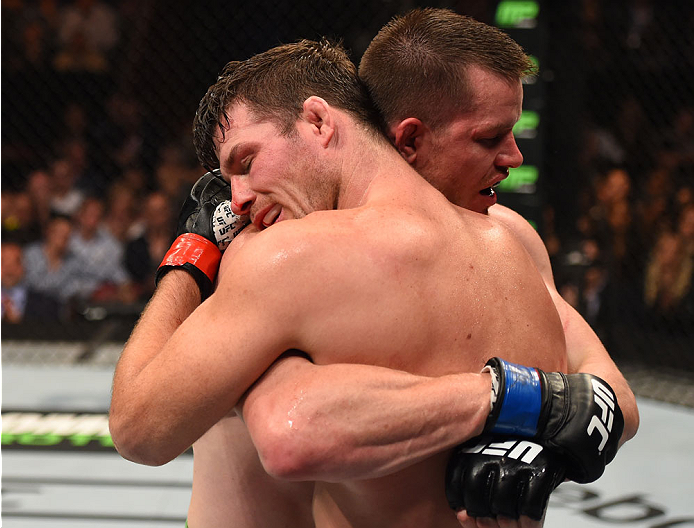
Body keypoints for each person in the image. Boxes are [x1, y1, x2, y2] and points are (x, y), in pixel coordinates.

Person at [109, 38, 625, 528]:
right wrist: (539, 417)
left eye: (247, 162)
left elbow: (142, 430)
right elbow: (598, 398)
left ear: (317, 120)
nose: (236, 198)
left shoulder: (282, 256)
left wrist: (190, 256)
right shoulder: (514, 240)